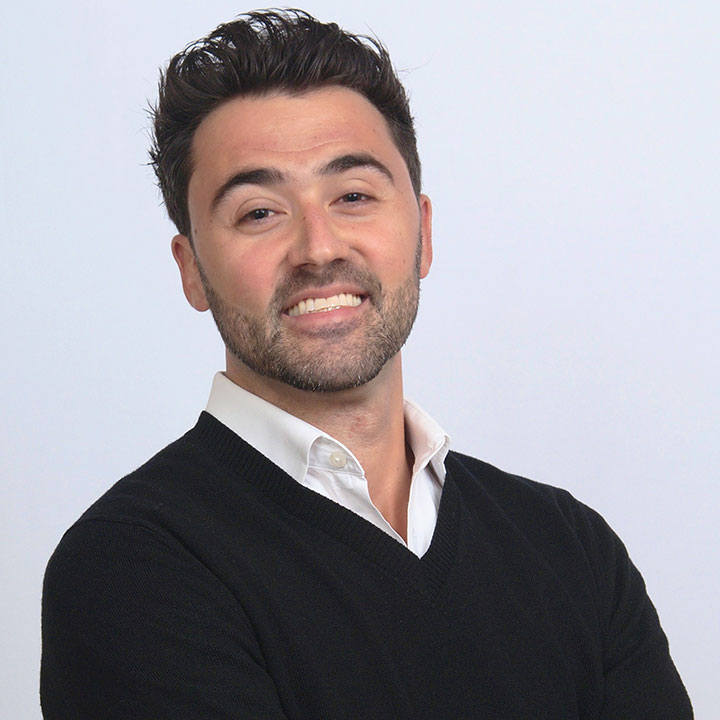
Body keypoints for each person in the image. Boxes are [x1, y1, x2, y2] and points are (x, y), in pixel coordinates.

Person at [40, 9, 693, 719]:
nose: (319, 248)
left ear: (423, 234)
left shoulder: (570, 548)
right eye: (259, 212)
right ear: (191, 269)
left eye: (353, 196)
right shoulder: (129, 569)